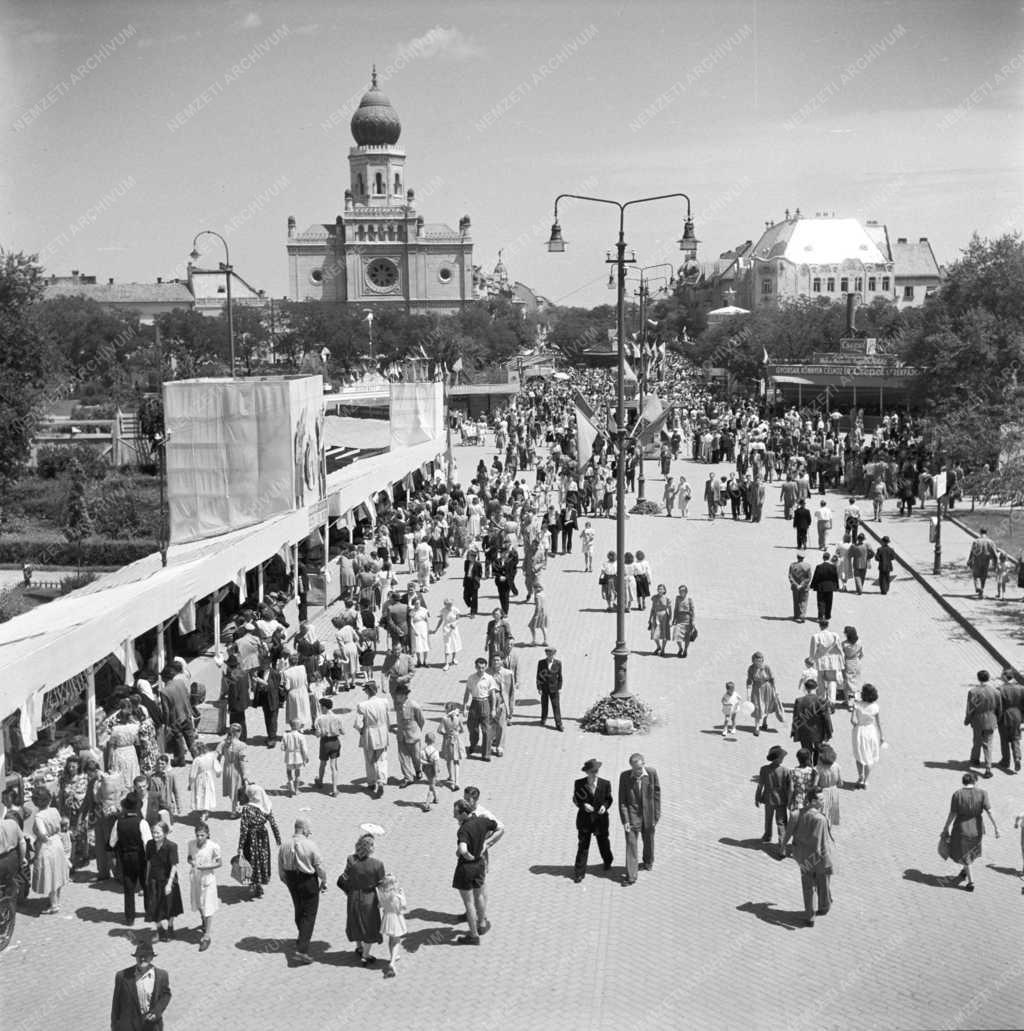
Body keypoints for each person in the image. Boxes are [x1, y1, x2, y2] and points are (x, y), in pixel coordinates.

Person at [452, 798, 504, 944]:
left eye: (456, 813)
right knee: (479, 895)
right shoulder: (482, 821)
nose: (454, 816)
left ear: (463, 813)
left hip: (466, 868)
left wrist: (467, 855)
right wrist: (486, 844)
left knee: (469, 903)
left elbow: (462, 849)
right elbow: (498, 827)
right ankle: (482, 923)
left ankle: (473, 935)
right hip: (480, 864)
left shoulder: (463, 830)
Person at [781, 789, 835, 927]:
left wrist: (782, 846)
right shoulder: (820, 819)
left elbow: (788, 832)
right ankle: (824, 906)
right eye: (820, 799)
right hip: (819, 857)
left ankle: (810, 916)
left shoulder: (796, 813)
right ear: (812, 801)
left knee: (808, 886)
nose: (823, 801)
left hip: (802, 856)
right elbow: (820, 841)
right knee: (823, 881)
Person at [278, 818, 328, 965]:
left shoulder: (284, 845)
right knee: (309, 914)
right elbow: (319, 867)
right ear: (304, 829)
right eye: (309, 830)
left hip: (292, 880)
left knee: (299, 909)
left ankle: (302, 937)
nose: (310, 832)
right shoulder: (311, 845)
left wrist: (288, 882)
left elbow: (281, 870)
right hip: (308, 881)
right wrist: (324, 880)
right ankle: (301, 950)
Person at [941, 772, 999, 891]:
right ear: (975, 781)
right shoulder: (983, 793)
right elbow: (989, 811)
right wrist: (996, 827)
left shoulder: (957, 794)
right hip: (977, 829)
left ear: (964, 782)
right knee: (969, 852)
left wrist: (946, 827)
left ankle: (971, 882)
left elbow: (952, 814)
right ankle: (964, 871)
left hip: (961, 829)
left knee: (965, 855)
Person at [338, 832, 385, 964]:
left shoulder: (351, 860)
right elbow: (382, 885)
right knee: (370, 926)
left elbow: (345, 878)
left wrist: (348, 891)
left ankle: (358, 947)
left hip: (353, 896)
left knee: (355, 922)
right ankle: (366, 955)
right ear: (370, 848)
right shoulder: (377, 864)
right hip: (369, 899)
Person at [618, 753, 661, 885]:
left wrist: (656, 816)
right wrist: (625, 820)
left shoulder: (652, 773)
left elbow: (657, 795)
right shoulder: (624, 776)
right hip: (632, 817)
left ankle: (648, 862)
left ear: (643, 764)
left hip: (648, 816)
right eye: (633, 768)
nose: (636, 771)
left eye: (638, 768)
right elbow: (622, 801)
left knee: (648, 840)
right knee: (631, 844)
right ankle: (631, 876)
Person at [110, 940, 172, 1031]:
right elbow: (116, 1004)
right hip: (128, 1026)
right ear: (135, 957)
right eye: (140, 956)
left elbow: (166, 995)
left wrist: (156, 1012)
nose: (142, 959)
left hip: (151, 1025)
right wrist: (114, 1025)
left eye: (146, 956)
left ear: (152, 957)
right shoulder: (122, 976)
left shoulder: (162, 975)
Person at [110, 795, 150, 925]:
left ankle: (129, 917)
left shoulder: (119, 822)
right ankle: (149, 912)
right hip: (141, 857)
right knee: (146, 884)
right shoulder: (142, 822)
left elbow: (112, 842)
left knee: (129, 888)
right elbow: (147, 843)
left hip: (126, 858)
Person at [236, 784, 281, 899]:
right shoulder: (266, 807)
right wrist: (278, 840)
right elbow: (273, 824)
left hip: (250, 838)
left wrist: (240, 846)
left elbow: (244, 829)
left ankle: (253, 883)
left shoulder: (246, 809)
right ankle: (260, 884)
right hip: (263, 837)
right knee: (262, 860)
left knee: (251, 859)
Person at [572, 758, 614, 882]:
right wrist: (583, 805)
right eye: (592, 772)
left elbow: (609, 799)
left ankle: (608, 861)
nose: (594, 774)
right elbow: (576, 800)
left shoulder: (605, 784)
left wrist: (604, 807)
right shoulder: (579, 784)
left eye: (596, 771)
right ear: (587, 772)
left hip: (600, 820)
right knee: (583, 846)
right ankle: (579, 872)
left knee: (603, 843)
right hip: (585, 821)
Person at [29, 787, 70, 914]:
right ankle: (56, 900)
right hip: (57, 842)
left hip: (47, 846)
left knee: (50, 875)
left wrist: (40, 838)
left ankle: (54, 905)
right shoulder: (54, 810)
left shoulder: (39, 816)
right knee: (57, 873)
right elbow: (60, 824)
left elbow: (42, 832)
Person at [144, 821, 183, 941]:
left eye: (158, 833)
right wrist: (146, 878)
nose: (155, 835)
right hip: (154, 880)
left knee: (169, 906)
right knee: (154, 906)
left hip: (167, 880)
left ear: (165, 833)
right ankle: (159, 929)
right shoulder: (150, 844)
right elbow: (149, 862)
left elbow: (174, 865)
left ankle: (170, 927)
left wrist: (170, 884)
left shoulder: (171, 846)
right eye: (153, 832)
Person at [187, 821, 221, 951]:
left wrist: (206, 866)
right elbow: (189, 857)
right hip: (195, 877)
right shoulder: (191, 844)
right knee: (199, 903)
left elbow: (219, 863)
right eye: (197, 835)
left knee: (208, 906)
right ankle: (203, 920)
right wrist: (192, 862)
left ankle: (206, 936)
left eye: (202, 835)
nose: (199, 838)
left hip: (208, 878)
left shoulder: (213, 846)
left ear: (207, 834)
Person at [354, 681, 391, 797]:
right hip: (382, 732)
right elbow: (388, 717)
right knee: (382, 759)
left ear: (367, 691)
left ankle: (371, 782)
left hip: (369, 733)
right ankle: (381, 781)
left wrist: (361, 731)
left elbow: (358, 724)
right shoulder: (384, 702)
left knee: (370, 759)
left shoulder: (362, 705)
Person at [965, 669, 1002, 778]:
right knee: (988, 744)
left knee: (977, 740)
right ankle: (988, 767)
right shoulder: (995, 692)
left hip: (977, 720)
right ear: (989, 678)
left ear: (978, 678)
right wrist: (998, 719)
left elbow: (970, 708)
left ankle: (975, 759)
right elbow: (999, 707)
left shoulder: (973, 692)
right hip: (991, 719)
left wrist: (967, 719)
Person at [755, 745, 790, 857]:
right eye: (782, 757)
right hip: (781, 800)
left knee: (768, 818)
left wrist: (757, 797)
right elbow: (789, 788)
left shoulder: (764, 769)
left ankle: (767, 835)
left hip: (768, 798)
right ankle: (782, 845)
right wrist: (790, 800)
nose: (783, 759)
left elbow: (760, 785)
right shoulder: (785, 771)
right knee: (782, 823)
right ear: (778, 758)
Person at [392, 685, 425, 787]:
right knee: (403, 758)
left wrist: (417, 732)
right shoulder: (397, 705)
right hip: (401, 736)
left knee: (416, 757)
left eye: (397, 695)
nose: (395, 697)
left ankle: (418, 770)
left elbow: (421, 720)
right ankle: (408, 778)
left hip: (413, 736)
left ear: (403, 695)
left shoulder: (414, 705)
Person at [809, 620, 845, 708]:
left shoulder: (816, 636)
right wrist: (842, 660)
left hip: (820, 661)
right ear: (827, 625)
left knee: (820, 681)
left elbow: (812, 650)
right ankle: (832, 702)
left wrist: (811, 659)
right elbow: (839, 649)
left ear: (819, 625)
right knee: (832, 681)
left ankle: (822, 700)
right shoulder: (835, 635)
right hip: (832, 662)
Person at [377, 873, 408, 978]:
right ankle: (392, 963)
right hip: (396, 918)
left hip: (387, 918)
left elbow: (380, 905)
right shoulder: (398, 895)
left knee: (391, 939)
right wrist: (402, 896)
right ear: (393, 883)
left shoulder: (382, 893)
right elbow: (403, 908)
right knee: (397, 941)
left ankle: (393, 957)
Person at [746, 651, 784, 735]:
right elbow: (749, 682)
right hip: (756, 689)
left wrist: (776, 690)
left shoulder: (766, 667)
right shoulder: (751, 668)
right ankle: (757, 727)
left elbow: (772, 679)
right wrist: (748, 694)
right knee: (757, 707)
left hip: (767, 689)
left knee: (766, 706)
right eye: (757, 661)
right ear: (753, 660)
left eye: (761, 661)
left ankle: (764, 722)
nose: (759, 662)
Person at [997, 667, 1024, 773]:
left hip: (1004, 716)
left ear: (1004, 676)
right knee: (1015, 737)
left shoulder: (1000, 689)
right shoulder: (1022, 688)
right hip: (1017, 715)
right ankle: (1017, 757)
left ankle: (1005, 761)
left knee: (1004, 739)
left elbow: (997, 705)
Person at [217, 724, 247, 817]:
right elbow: (242, 762)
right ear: (238, 732)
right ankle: (234, 811)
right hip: (236, 770)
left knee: (231, 790)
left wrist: (217, 765)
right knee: (236, 790)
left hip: (227, 769)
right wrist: (245, 775)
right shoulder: (241, 745)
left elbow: (217, 754)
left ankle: (236, 807)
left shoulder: (223, 743)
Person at [813, 744, 843, 827]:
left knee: (821, 816)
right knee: (830, 815)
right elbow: (840, 783)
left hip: (822, 793)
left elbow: (815, 785)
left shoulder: (818, 769)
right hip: (834, 792)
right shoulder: (837, 766)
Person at [536, 645, 564, 732]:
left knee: (556, 706)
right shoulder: (541, 663)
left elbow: (560, 676)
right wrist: (539, 688)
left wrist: (559, 688)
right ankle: (543, 718)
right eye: (547, 653)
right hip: (544, 688)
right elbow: (538, 676)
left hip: (554, 688)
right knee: (544, 704)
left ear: (554, 654)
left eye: (551, 654)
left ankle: (558, 723)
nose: (549, 655)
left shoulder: (558, 663)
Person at [967, 529, 999, 599]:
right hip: (986, 561)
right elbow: (995, 554)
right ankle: (982, 589)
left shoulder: (976, 541)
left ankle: (977, 587)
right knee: (983, 576)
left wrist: (969, 560)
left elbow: (972, 552)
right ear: (986, 533)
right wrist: (995, 564)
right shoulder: (991, 542)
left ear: (980, 532)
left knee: (975, 575)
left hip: (977, 560)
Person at [433, 598, 463, 671]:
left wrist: (455, 624)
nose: (450, 606)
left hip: (454, 629)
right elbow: (441, 620)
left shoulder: (455, 610)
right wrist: (436, 629)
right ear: (445, 605)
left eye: (451, 604)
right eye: (448, 605)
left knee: (454, 643)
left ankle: (453, 659)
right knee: (447, 645)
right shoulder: (443, 610)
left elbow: (458, 619)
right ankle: (446, 663)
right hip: (446, 629)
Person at [809, 551, 839, 622]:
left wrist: (812, 585)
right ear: (829, 558)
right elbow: (835, 577)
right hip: (830, 587)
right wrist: (836, 586)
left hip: (821, 586)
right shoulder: (833, 567)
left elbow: (815, 577)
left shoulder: (819, 567)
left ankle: (821, 616)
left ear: (823, 558)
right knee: (829, 601)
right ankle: (827, 615)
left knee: (821, 602)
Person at [840, 626, 863, 707]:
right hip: (857, 661)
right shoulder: (859, 641)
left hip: (849, 663)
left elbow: (842, 654)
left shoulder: (844, 644)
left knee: (849, 684)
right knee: (856, 682)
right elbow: (861, 653)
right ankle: (852, 700)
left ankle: (851, 703)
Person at [670, 584, 695, 658]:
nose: (681, 592)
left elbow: (692, 611)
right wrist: (674, 619)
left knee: (687, 637)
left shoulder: (689, 599)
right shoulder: (677, 598)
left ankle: (685, 650)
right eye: (680, 591)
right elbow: (675, 609)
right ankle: (680, 648)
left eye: (683, 590)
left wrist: (693, 621)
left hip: (687, 620)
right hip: (679, 619)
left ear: (686, 591)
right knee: (676, 636)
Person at [648, 583, 672, 656]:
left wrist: (670, 620)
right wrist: (650, 619)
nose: (660, 590)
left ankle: (663, 649)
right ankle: (658, 647)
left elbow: (670, 610)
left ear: (664, 590)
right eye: (658, 589)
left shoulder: (667, 599)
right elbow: (652, 609)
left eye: (661, 589)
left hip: (664, 617)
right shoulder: (654, 597)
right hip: (656, 616)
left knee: (665, 634)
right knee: (655, 634)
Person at [420, 732, 442, 812]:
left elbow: (420, 760)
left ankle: (436, 798)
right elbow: (436, 764)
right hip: (432, 770)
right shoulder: (435, 752)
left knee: (431, 783)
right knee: (431, 786)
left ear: (425, 740)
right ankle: (427, 804)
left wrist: (426, 763)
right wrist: (436, 774)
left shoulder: (423, 750)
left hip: (426, 769)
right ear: (434, 741)